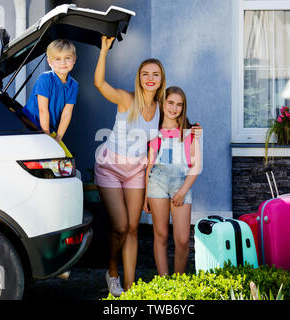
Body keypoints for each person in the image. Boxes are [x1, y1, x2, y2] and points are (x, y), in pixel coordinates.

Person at [93, 36, 166, 296]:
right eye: (145, 73)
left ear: (160, 79)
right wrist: (103, 50)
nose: (150, 78)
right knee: (121, 226)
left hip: (135, 171)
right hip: (110, 168)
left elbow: (174, 127)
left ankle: (130, 286)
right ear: (139, 77)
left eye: (155, 74)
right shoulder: (127, 99)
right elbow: (99, 83)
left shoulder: (160, 108)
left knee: (133, 228)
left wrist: (194, 130)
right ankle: (112, 272)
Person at [144, 86, 202, 276]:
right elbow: (150, 165)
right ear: (163, 103)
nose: (174, 108)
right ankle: (164, 281)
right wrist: (145, 196)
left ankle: (178, 282)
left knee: (183, 239)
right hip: (156, 183)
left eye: (179, 104)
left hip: (181, 184)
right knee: (160, 235)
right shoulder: (154, 131)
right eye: (170, 103)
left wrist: (182, 192)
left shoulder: (190, 132)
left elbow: (196, 167)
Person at [22, 39, 78, 156]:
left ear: (74, 60)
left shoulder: (73, 85)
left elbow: (66, 114)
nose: (63, 63)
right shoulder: (45, 78)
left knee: (66, 157)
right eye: (57, 59)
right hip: (29, 124)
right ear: (49, 62)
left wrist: (57, 139)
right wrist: (47, 139)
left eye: (67, 58)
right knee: (43, 156)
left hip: (48, 128)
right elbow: (43, 110)